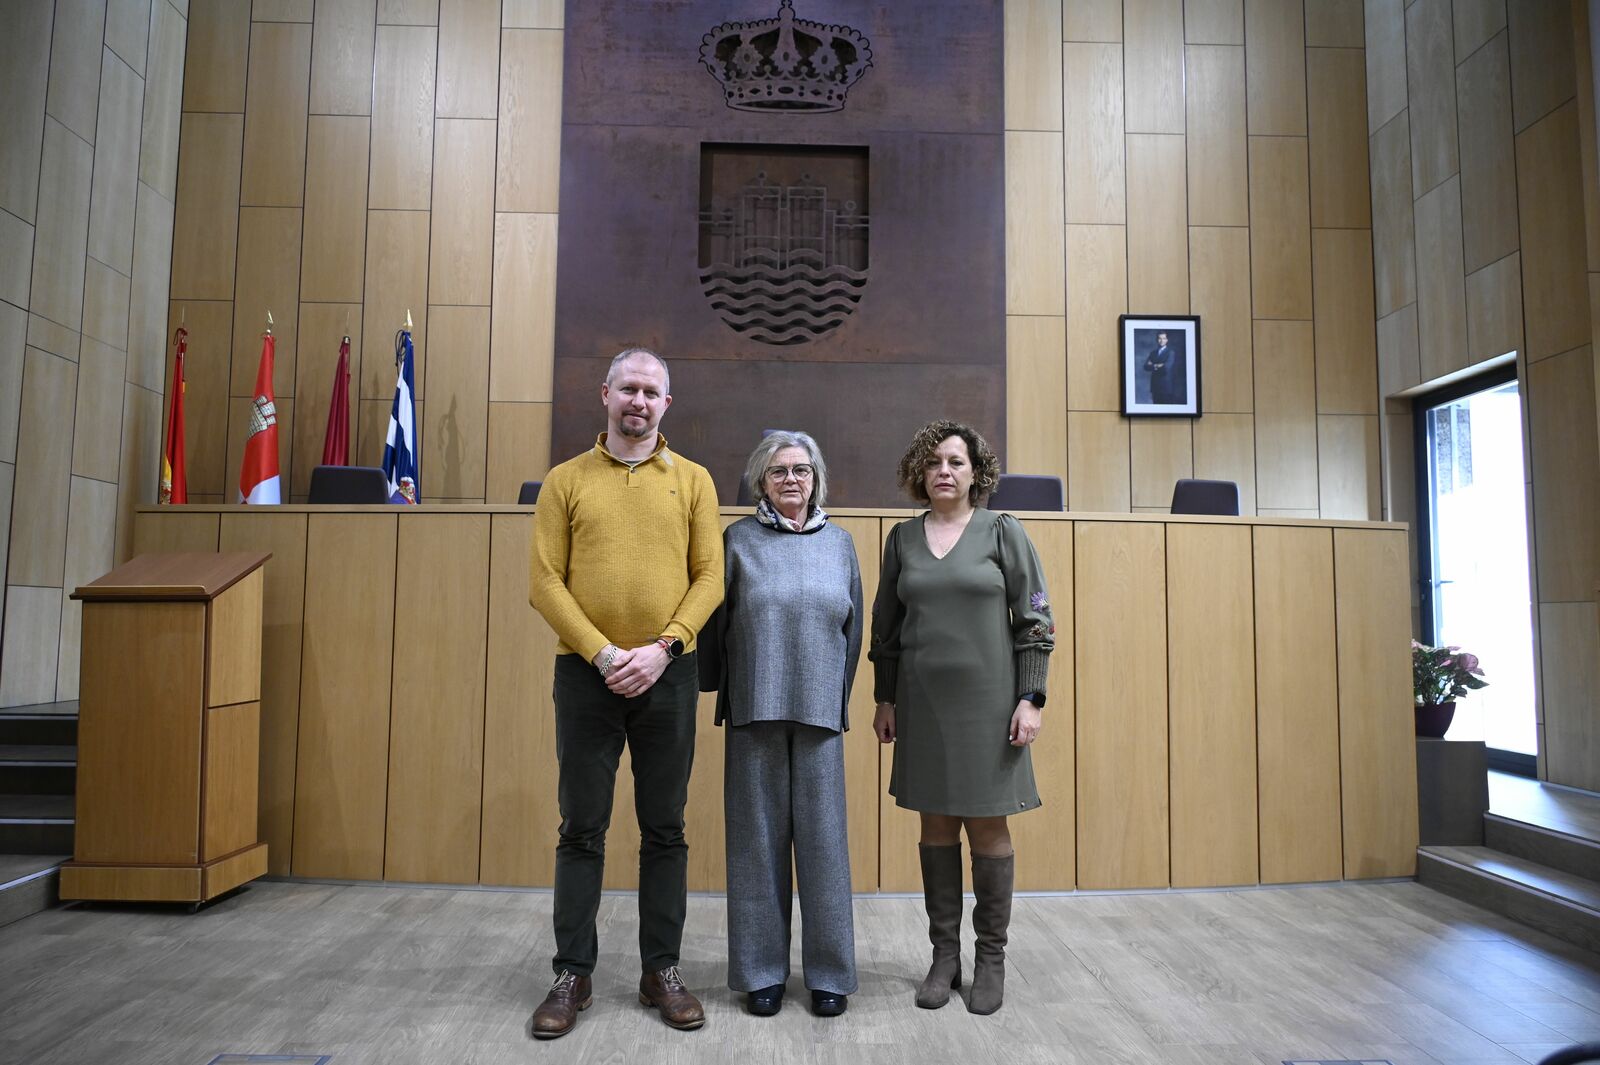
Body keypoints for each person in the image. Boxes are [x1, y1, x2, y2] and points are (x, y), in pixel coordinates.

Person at [527, 346, 724, 1039]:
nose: (639, 401)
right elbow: (545, 582)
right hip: (587, 677)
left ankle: (660, 971)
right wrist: (607, 652)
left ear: (667, 404)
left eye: (652, 392)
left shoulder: (695, 480)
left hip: (669, 676)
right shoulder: (565, 481)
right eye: (628, 389)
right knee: (582, 827)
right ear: (605, 393)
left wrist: (663, 646)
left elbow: (710, 578)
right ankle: (572, 972)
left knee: (665, 828)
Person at [869, 419, 1054, 1016]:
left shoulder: (1003, 531)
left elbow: (1035, 622)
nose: (943, 471)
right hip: (922, 705)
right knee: (936, 828)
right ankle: (944, 957)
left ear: (977, 473)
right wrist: (886, 698)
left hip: (991, 707)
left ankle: (991, 959)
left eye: (955, 461)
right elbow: (885, 633)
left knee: (988, 829)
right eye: (933, 463)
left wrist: (1032, 698)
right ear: (919, 474)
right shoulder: (901, 538)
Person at [700, 431, 862, 1019]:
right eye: (778, 472)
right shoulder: (737, 540)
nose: (791, 480)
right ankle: (761, 973)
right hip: (754, 706)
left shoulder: (841, 544)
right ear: (759, 481)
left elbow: (854, 634)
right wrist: (722, 696)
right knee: (755, 846)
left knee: (824, 846)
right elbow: (717, 624)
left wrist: (839, 702)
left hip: (819, 712)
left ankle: (830, 975)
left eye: (801, 470)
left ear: (816, 478)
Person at [1144, 330, 1185, 404]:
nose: (1161, 340)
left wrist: (1153, 365)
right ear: (1157, 339)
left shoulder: (1170, 352)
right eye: (1159, 338)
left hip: (1166, 387)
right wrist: (1158, 365)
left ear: (1167, 340)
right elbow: (1146, 367)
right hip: (1155, 387)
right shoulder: (1153, 353)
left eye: (1163, 338)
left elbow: (1166, 368)